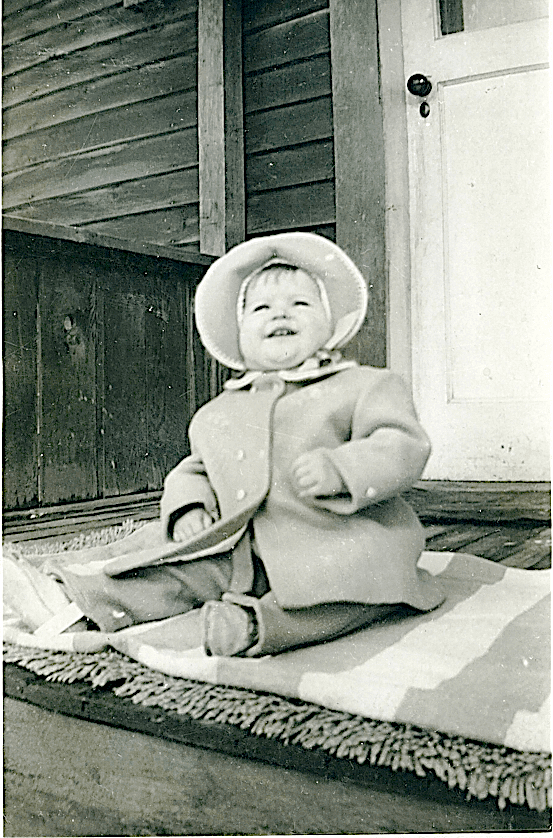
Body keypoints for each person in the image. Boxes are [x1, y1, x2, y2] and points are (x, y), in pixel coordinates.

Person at [4, 233, 445, 657]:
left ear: (330, 323)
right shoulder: (220, 411)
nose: (280, 315)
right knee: (176, 572)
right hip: (241, 549)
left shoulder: (364, 386)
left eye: (300, 304)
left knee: (358, 591)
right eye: (262, 308)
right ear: (239, 334)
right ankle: (78, 605)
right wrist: (189, 507)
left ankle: (256, 627)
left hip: (339, 542)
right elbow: (194, 469)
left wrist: (343, 468)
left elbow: (402, 443)